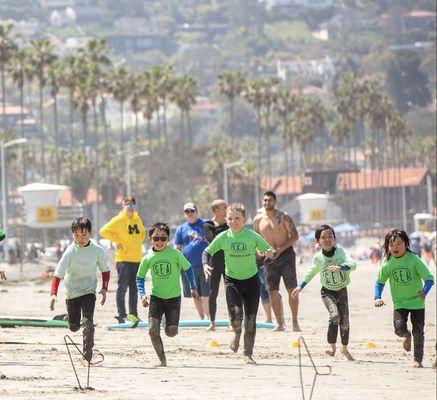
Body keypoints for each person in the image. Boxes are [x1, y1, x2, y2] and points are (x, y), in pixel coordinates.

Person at [203, 202, 274, 364]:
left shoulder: (252, 236)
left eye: (237, 218)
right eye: (230, 218)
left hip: (252, 281)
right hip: (232, 281)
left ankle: (247, 353)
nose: (233, 221)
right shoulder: (222, 237)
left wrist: (270, 253)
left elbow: (268, 250)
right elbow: (207, 251)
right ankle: (236, 332)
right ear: (226, 220)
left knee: (250, 319)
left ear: (244, 220)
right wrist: (206, 264)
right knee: (235, 315)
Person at [136, 222, 199, 366]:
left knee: (171, 332)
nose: (159, 241)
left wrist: (193, 287)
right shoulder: (147, 258)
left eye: (163, 238)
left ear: (168, 239)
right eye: (156, 238)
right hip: (156, 298)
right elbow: (139, 278)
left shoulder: (175, 254)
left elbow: (188, 268)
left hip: (174, 298)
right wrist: (142, 294)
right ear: (150, 239)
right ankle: (162, 360)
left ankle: (166, 322)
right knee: (152, 330)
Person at [50, 217, 110, 364]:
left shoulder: (97, 251)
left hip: (89, 292)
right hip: (72, 293)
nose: (80, 239)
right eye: (76, 235)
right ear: (72, 235)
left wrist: (104, 289)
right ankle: (71, 320)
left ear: (90, 233)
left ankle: (87, 355)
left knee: (88, 322)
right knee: (74, 327)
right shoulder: (70, 252)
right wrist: (53, 294)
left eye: (84, 235)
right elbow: (58, 274)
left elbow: (105, 270)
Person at [292, 225, 356, 360]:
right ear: (318, 242)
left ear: (334, 238)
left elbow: (352, 264)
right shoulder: (318, 258)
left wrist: (341, 267)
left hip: (342, 290)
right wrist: (301, 286)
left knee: (345, 320)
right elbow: (311, 272)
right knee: (335, 316)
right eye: (323, 237)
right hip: (327, 292)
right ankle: (332, 347)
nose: (327, 240)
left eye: (330, 236)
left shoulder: (341, 252)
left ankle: (344, 348)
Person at [374, 229, 434, 368]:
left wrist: (425, 291)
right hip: (400, 302)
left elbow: (429, 278)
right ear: (387, 247)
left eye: (399, 244)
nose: (395, 248)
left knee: (418, 332)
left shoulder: (413, 259)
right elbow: (380, 282)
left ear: (406, 244)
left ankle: (417, 360)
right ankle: (406, 335)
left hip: (417, 302)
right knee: (399, 328)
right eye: (391, 245)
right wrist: (377, 297)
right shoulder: (388, 264)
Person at [254, 191, 300, 331]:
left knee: (291, 289)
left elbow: (294, 236)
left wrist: (280, 249)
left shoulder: (283, 217)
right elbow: (255, 238)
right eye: (265, 200)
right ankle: (280, 324)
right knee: (272, 291)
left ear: (275, 202)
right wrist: (259, 251)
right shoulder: (258, 219)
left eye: (270, 200)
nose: (267, 203)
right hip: (270, 258)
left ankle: (294, 322)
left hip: (286, 256)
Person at [99, 196, 145, 324]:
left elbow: (143, 233)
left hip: (136, 259)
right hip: (123, 259)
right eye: (128, 204)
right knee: (122, 288)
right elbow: (103, 231)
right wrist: (117, 241)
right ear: (123, 205)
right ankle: (122, 315)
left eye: (132, 204)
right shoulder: (118, 219)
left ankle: (133, 314)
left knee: (134, 289)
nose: (130, 207)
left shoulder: (137, 219)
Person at [174, 202, 209, 320]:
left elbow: (213, 240)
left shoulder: (205, 224)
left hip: (205, 264)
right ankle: (202, 319)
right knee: (195, 294)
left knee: (206, 293)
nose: (190, 214)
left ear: (196, 212)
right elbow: (177, 248)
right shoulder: (181, 228)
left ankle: (209, 318)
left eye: (192, 211)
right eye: (187, 212)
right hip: (188, 266)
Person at [203, 199, 228, 331]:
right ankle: (212, 323)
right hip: (214, 264)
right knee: (213, 293)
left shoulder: (230, 224)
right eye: (225, 207)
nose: (227, 208)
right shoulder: (208, 225)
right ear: (216, 210)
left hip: (229, 263)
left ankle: (232, 322)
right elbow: (212, 241)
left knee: (231, 292)